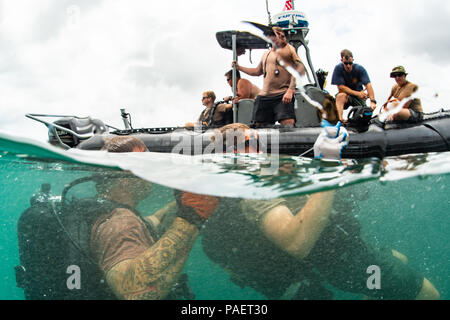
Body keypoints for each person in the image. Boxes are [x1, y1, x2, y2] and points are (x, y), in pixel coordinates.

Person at [200, 123, 440, 300]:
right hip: (347, 262)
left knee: (399, 260)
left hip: (351, 249)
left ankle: (373, 289)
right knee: (429, 296)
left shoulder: (269, 172)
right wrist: (327, 164)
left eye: (258, 141)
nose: (259, 148)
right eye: (248, 144)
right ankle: (373, 287)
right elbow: (296, 243)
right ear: (229, 157)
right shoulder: (253, 191)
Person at [90, 136, 218, 299]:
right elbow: (132, 291)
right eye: (145, 164)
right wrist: (193, 216)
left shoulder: (107, 213)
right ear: (124, 178)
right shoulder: (121, 222)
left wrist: (189, 199)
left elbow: (153, 222)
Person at [234, 27, 306, 127]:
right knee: (258, 126)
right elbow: (257, 71)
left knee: (288, 124)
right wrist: (239, 67)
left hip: (282, 95)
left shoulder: (288, 49)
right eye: (275, 34)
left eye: (281, 34)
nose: (279, 36)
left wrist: (290, 90)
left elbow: (301, 69)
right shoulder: (266, 54)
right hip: (264, 96)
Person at [331, 49, 377, 122]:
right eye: (346, 63)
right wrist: (358, 94)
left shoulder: (360, 69)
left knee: (362, 115)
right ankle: (339, 119)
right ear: (341, 61)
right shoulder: (338, 68)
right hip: (348, 96)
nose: (348, 66)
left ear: (353, 60)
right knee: (340, 96)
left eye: (350, 63)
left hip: (359, 98)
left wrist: (373, 101)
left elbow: (368, 84)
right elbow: (341, 88)